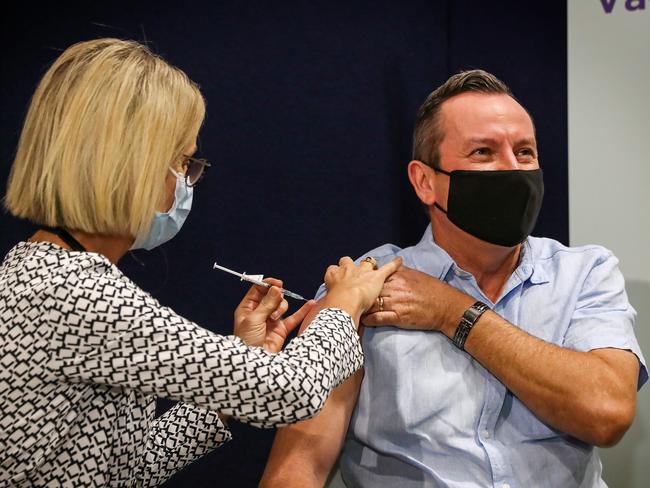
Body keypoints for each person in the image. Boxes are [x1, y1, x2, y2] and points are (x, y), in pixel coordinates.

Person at [0, 38, 401, 487]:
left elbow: (124, 466)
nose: (189, 181)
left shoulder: (43, 271)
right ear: (132, 165)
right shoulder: (74, 292)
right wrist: (343, 306)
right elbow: (293, 390)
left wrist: (243, 358)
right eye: (184, 163)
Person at [260, 69, 648, 487]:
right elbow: (299, 466)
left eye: (524, 152)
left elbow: (607, 412)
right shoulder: (366, 286)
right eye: (483, 152)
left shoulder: (584, 273)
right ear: (425, 181)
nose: (511, 170)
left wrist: (452, 310)